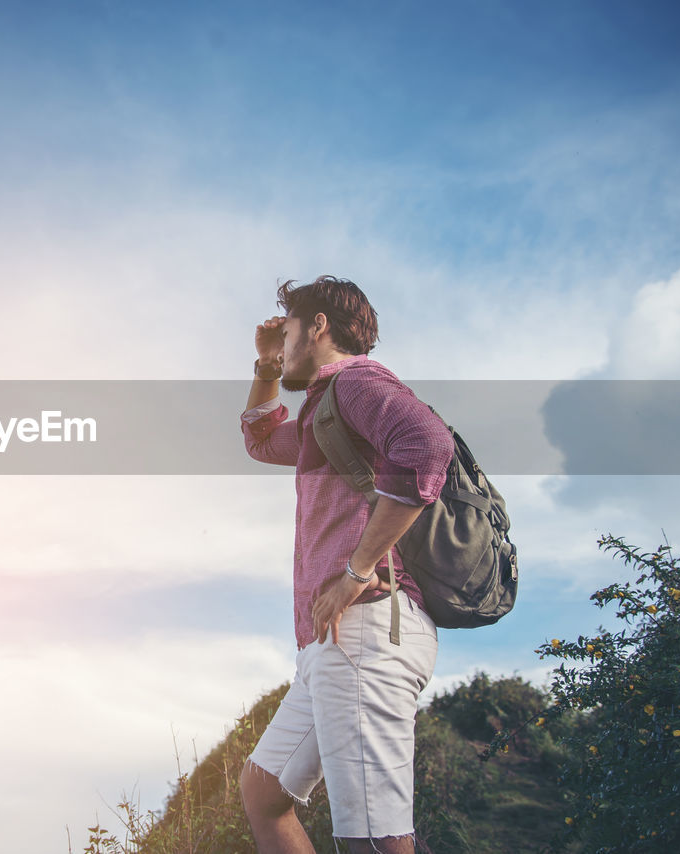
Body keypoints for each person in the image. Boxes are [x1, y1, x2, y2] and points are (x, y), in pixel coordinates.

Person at [238, 276, 455, 854]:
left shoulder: (356, 384)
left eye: (286, 332)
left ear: (317, 326)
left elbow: (428, 446)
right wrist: (265, 367)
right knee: (263, 793)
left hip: (367, 626)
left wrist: (356, 571)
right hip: (329, 641)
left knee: (373, 842)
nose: (281, 346)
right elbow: (261, 441)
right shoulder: (321, 410)